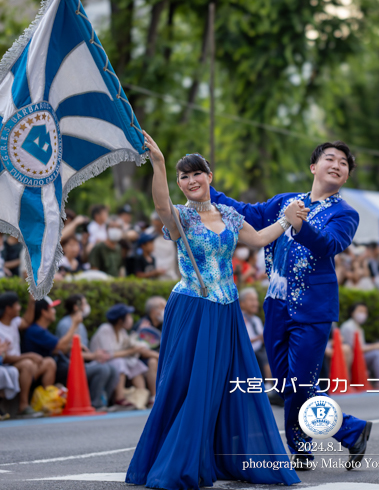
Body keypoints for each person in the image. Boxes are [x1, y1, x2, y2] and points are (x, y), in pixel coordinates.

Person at [126, 134, 303, 488]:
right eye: (183, 177)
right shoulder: (180, 217)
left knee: (227, 385)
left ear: (210, 177)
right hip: (193, 306)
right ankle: (177, 461)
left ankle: (220, 457)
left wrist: (285, 221)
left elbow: (259, 239)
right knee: (190, 384)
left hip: (226, 309)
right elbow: (162, 206)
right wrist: (158, 163)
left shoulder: (229, 215)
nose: (190, 181)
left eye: (196, 174)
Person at [210, 140, 373, 470]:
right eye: (330, 159)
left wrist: (298, 224)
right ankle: (332, 438)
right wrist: (207, 191)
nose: (337, 165)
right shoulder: (286, 201)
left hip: (313, 309)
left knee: (298, 383)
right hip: (276, 305)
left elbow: (329, 245)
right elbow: (249, 214)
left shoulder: (345, 213)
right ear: (314, 167)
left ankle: (323, 440)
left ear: (345, 177)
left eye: (343, 163)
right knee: (287, 386)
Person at [0, 292, 52, 417]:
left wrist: (31, 302)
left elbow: (27, 321)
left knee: (49, 362)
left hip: (19, 365)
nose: (19, 307)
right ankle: (23, 406)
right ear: (8, 309)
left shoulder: (13, 321)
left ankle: (46, 402)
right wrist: (29, 355)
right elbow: (3, 358)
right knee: (28, 364)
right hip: (7, 367)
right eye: (17, 305)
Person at [56, 295, 119, 409]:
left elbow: (84, 350)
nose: (87, 307)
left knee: (113, 369)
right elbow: (67, 353)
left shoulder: (81, 324)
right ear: (76, 307)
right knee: (102, 369)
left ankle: (104, 401)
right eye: (84, 303)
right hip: (67, 366)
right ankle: (95, 403)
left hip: (82, 364)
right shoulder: (66, 324)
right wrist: (93, 356)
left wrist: (96, 355)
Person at [91, 304, 157, 408]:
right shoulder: (105, 329)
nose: (131, 319)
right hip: (100, 362)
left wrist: (140, 334)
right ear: (120, 320)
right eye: (128, 316)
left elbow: (130, 345)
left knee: (136, 364)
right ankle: (119, 398)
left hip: (112, 361)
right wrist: (132, 350)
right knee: (120, 362)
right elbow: (108, 355)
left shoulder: (122, 331)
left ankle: (142, 397)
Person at [339, 303, 379, 385]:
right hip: (352, 357)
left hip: (358, 355)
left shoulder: (358, 327)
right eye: (360, 311)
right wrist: (375, 346)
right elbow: (356, 348)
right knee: (378, 353)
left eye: (365, 312)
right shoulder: (348, 326)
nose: (363, 314)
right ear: (352, 312)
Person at [239, 287, 271, 378]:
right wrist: (259, 338)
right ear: (242, 303)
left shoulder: (256, 320)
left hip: (259, 350)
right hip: (248, 353)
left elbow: (262, 340)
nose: (255, 304)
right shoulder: (240, 318)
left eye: (256, 300)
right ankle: (268, 384)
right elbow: (240, 341)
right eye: (251, 300)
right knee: (262, 357)